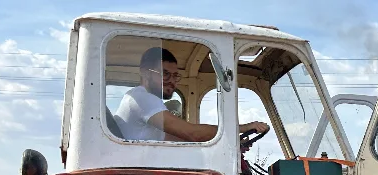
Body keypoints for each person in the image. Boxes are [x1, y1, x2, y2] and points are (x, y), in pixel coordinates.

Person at [115, 47, 269, 142]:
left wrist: (229, 142)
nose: (172, 81)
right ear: (145, 73)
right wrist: (243, 128)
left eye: (175, 76)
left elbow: (178, 139)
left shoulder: (146, 102)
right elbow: (193, 134)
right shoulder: (142, 98)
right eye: (165, 74)